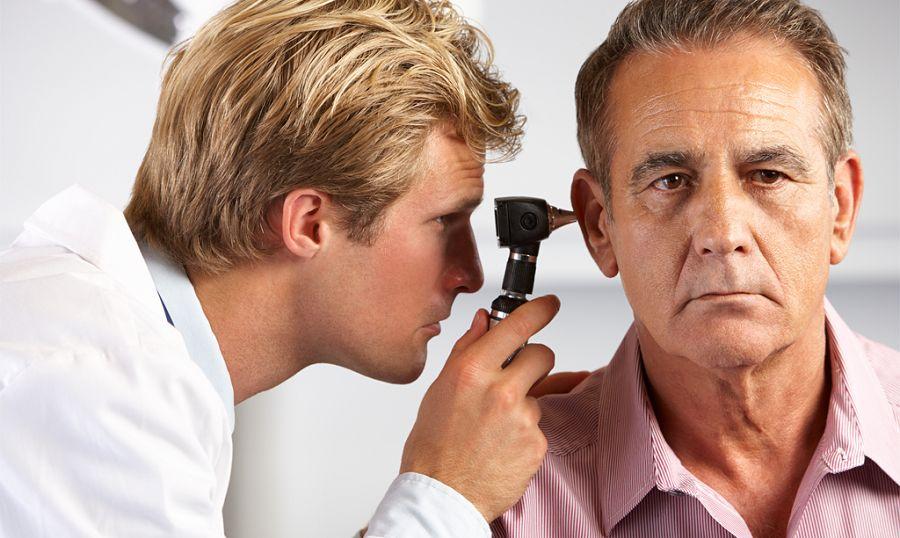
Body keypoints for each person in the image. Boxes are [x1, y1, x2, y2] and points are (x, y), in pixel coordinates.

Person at [0, 1, 586, 536]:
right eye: (444, 221)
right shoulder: (96, 391)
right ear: (309, 223)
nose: (470, 274)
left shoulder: (104, 351)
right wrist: (447, 492)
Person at [492, 0, 899, 537]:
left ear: (840, 208)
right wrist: (439, 496)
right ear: (598, 225)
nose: (723, 235)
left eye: (768, 175)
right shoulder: (496, 500)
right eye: (670, 181)